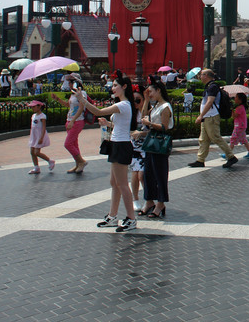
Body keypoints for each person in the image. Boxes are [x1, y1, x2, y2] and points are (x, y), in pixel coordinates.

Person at [74, 75, 138, 232]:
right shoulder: (122, 105)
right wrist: (108, 124)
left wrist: (82, 99)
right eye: (113, 85)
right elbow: (119, 125)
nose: (113, 87)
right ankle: (112, 216)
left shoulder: (124, 104)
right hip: (117, 143)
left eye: (116, 85)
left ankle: (131, 218)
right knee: (114, 183)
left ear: (124, 87)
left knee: (122, 184)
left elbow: (98, 111)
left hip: (122, 145)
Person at [137, 78, 175, 218]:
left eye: (151, 91)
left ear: (158, 90)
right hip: (151, 141)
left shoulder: (165, 106)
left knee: (160, 174)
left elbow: (164, 127)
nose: (150, 94)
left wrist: (150, 124)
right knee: (148, 173)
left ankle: (160, 203)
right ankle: (149, 201)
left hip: (160, 141)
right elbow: (142, 118)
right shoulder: (156, 105)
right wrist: (146, 100)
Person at [189, 69, 237, 168]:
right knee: (203, 139)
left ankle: (231, 157)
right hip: (207, 117)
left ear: (206, 75)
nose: (200, 76)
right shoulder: (209, 86)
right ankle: (200, 160)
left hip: (211, 116)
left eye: (201, 75)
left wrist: (200, 116)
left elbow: (210, 102)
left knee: (215, 137)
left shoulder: (212, 87)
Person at [50, 73, 88, 174]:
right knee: (74, 143)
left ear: (76, 82)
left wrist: (73, 121)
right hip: (70, 120)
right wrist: (57, 99)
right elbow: (68, 105)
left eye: (71, 82)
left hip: (77, 121)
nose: (69, 84)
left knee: (68, 144)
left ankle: (81, 162)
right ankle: (78, 164)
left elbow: (81, 108)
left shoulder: (81, 93)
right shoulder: (73, 94)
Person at [27, 100, 55, 174]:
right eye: (31, 107)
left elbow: (43, 128)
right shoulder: (33, 116)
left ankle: (50, 161)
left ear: (39, 107)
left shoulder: (42, 116)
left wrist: (41, 137)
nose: (32, 108)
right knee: (32, 152)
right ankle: (36, 167)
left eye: (34, 107)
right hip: (34, 136)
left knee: (37, 152)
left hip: (39, 135)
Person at [228, 92, 249, 158]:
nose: (235, 98)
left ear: (240, 100)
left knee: (233, 139)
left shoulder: (239, 108)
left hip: (239, 126)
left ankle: (228, 153)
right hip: (242, 126)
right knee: (244, 140)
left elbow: (234, 116)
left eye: (236, 97)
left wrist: (231, 109)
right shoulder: (241, 107)